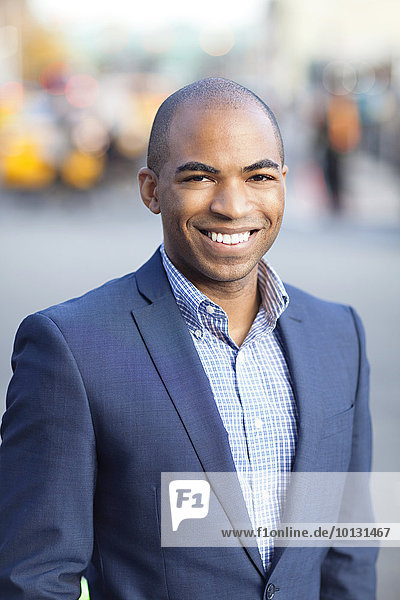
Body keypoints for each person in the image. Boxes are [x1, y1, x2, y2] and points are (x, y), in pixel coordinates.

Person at [0, 78, 377, 599]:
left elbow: (346, 548)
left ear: (283, 183)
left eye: (259, 175)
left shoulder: (340, 335)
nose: (233, 204)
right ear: (152, 190)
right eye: (201, 177)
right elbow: (34, 578)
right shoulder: (69, 348)